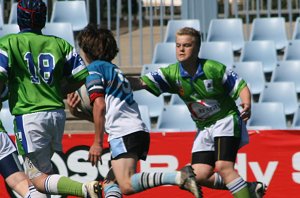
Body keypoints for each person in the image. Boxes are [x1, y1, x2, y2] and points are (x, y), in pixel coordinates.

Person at [128, 27, 267, 198]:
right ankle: (249, 189)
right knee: (198, 175)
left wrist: (247, 102)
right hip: (204, 127)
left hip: (226, 120)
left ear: (197, 48)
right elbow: (140, 83)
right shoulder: (171, 73)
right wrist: (116, 80)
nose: (181, 49)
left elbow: (240, 85)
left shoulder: (212, 68)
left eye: (186, 45)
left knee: (224, 167)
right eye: (178, 45)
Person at [67, 24, 200, 198]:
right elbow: (107, 114)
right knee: (110, 183)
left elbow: (100, 106)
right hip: (132, 131)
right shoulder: (113, 70)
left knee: (127, 184)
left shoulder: (94, 70)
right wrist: (75, 112)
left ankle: (177, 176)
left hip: (125, 133)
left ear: (85, 51)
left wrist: (97, 143)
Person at [0, 0, 101, 197]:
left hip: (29, 115)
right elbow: (80, 77)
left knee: (38, 179)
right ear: (43, 19)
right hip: (56, 115)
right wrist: (58, 91)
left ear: (19, 18)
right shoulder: (60, 43)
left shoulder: (8, 42)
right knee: (44, 175)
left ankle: (84, 189)